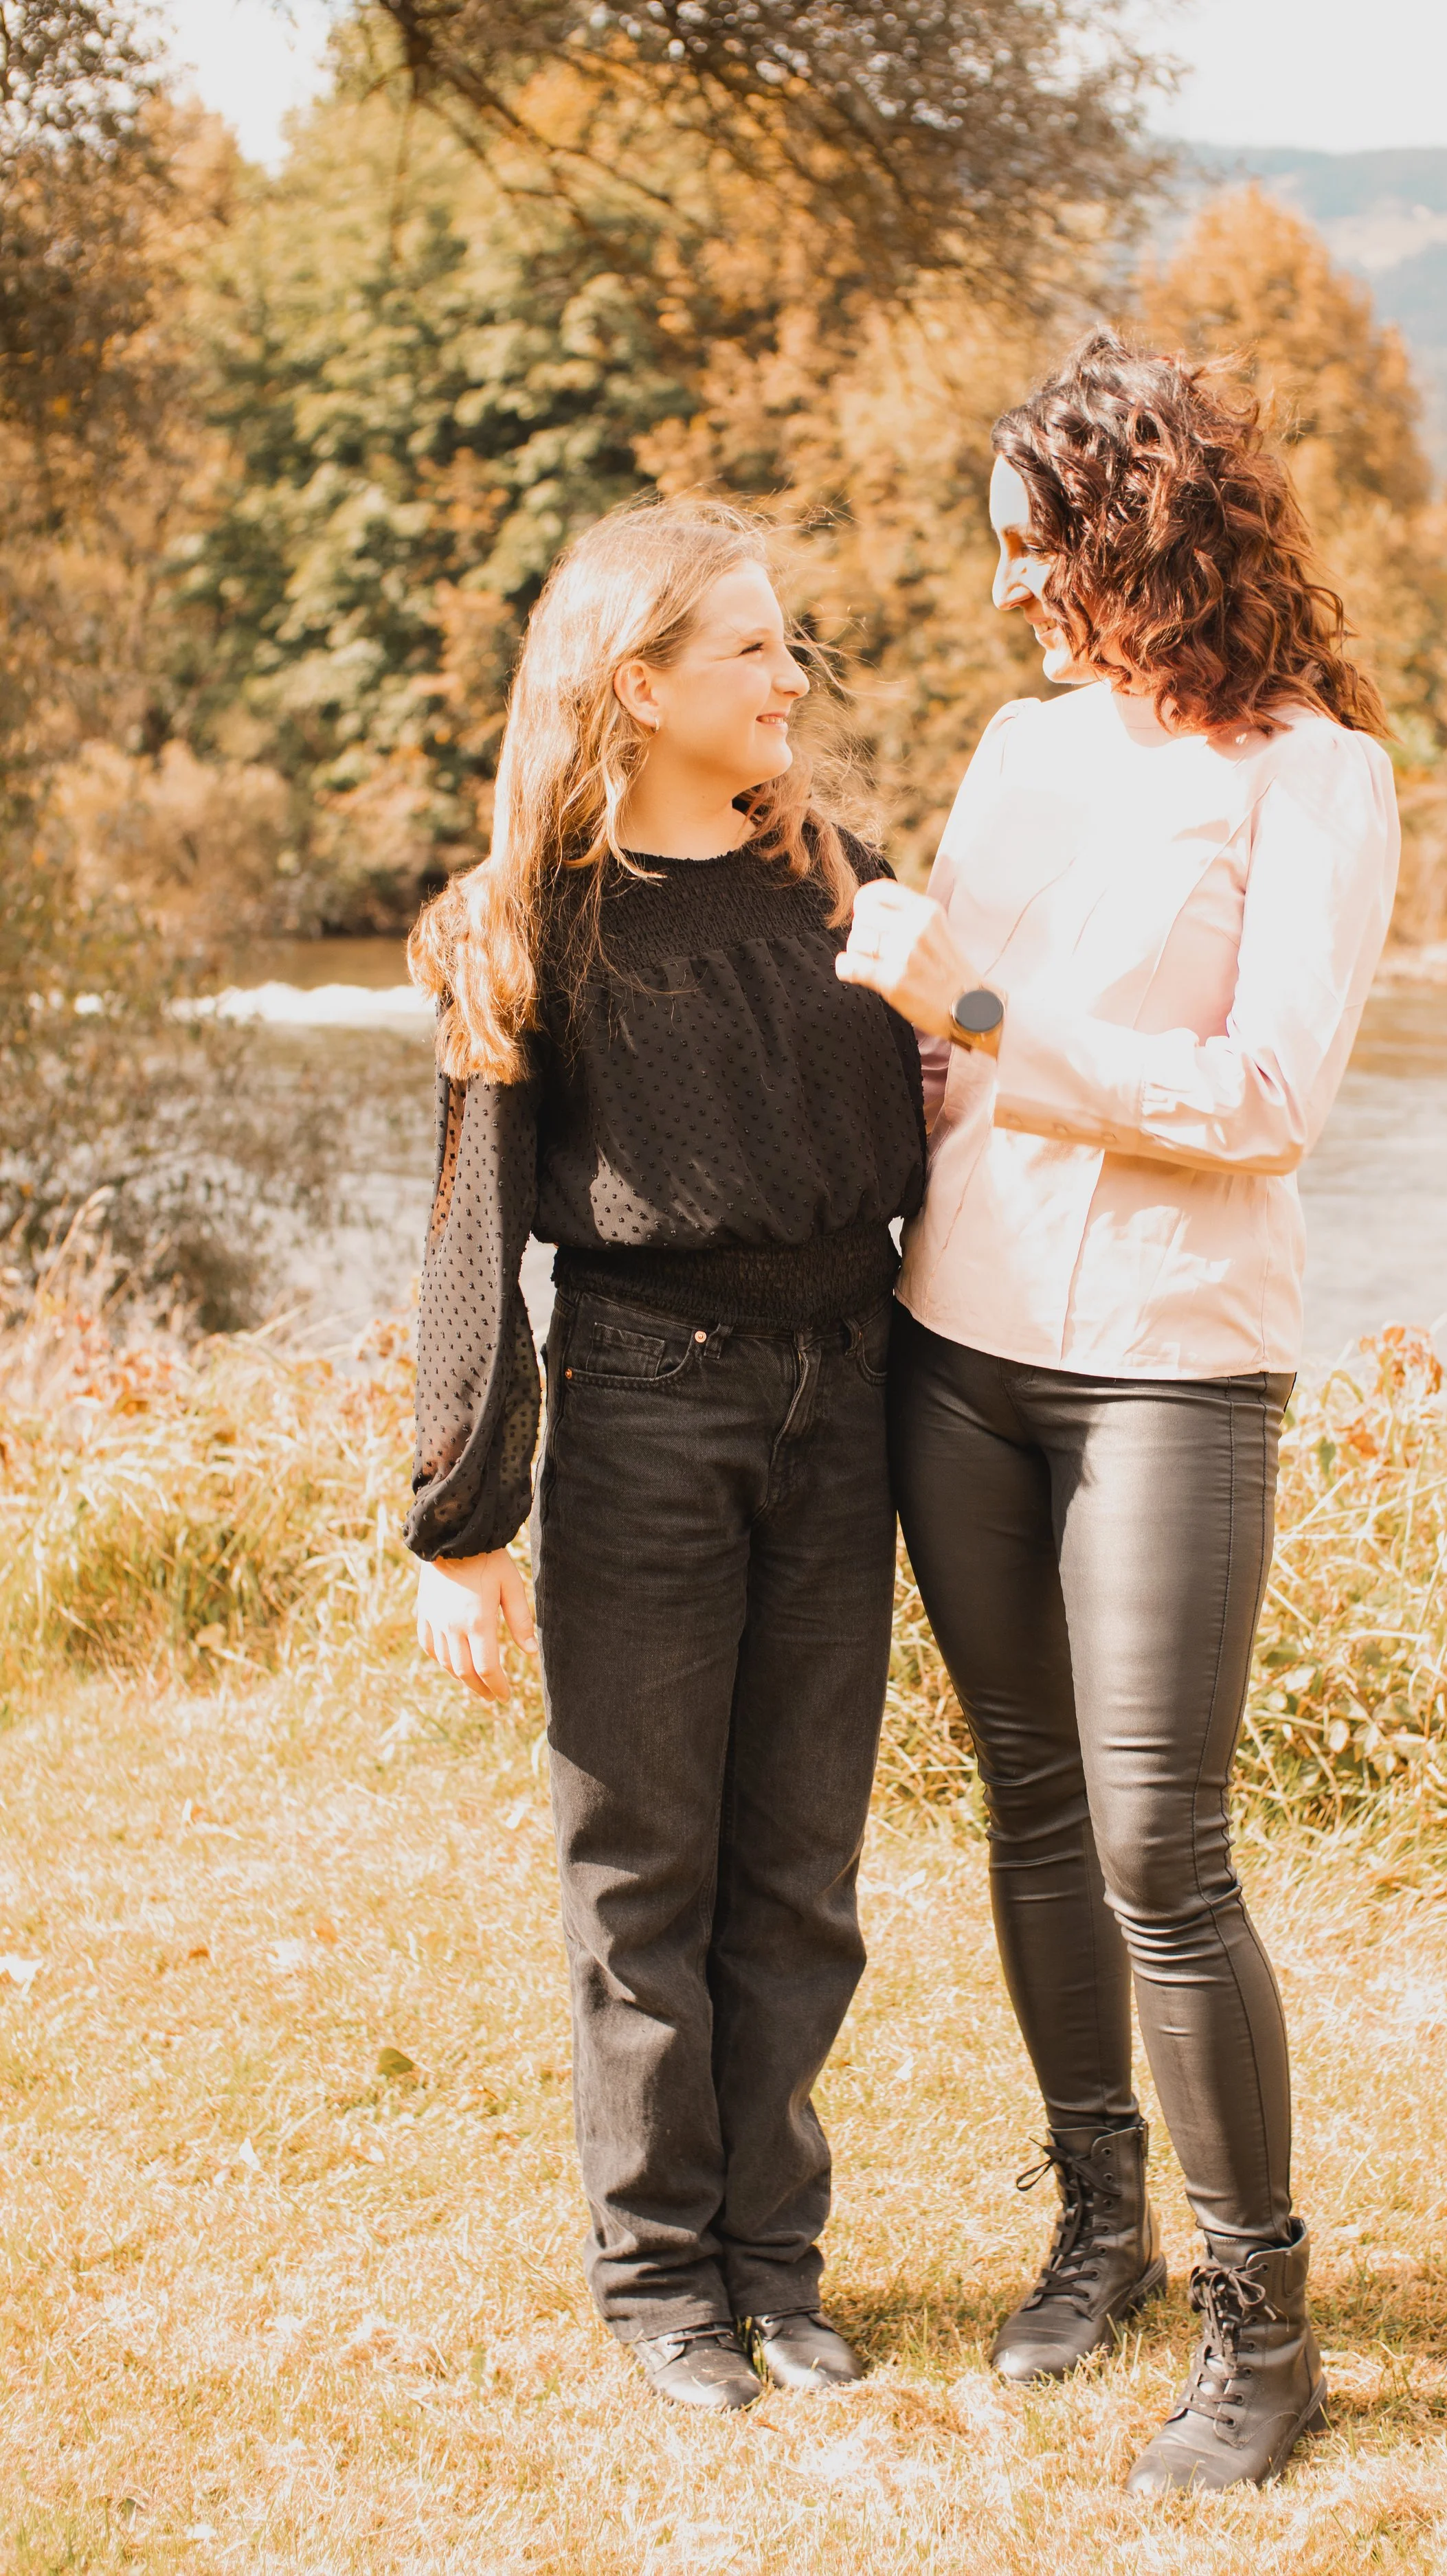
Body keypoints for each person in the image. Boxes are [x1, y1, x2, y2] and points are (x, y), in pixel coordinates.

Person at [835, 330, 1399, 2494]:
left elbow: (1261, 1100)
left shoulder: (1312, 775)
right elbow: (931, 1061)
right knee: (1031, 1802)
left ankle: (1265, 2327)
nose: (1003, 586)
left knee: (1163, 1840)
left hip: (1170, 1355)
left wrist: (978, 1009)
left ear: (1140, 529)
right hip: (955, 1339)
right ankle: (1100, 2227)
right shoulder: (1016, 750)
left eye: (1031, 544)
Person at [405, 501, 925, 2413]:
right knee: (640, 1866)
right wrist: (462, 1521)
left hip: (846, 1399)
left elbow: (960, 1104)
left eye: (790, 644)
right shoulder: (530, 927)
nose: (792, 677)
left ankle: (775, 2266)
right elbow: (472, 1232)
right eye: (751, 650)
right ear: (637, 685)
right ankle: (657, 2282)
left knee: (799, 1864)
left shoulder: (843, 885)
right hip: (647, 1401)